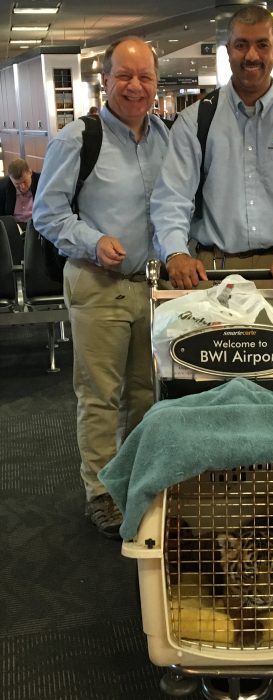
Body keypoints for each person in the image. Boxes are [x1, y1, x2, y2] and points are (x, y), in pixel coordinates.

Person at [33, 37, 170, 538]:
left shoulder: (166, 137)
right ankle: (99, 492)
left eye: (145, 77)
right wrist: (92, 242)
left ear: (156, 83)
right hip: (98, 282)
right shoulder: (77, 138)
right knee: (99, 396)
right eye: (124, 76)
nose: (135, 87)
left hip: (149, 286)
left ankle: (132, 480)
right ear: (105, 80)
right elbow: (48, 213)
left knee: (143, 394)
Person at [151, 5, 273, 290]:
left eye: (262, 45)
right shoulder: (196, 120)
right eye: (241, 45)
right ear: (227, 51)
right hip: (213, 272)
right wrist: (175, 252)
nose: (251, 56)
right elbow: (172, 198)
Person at [0, 158, 40, 227]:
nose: (22, 187)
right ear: (10, 179)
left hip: (36, 225)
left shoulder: (41, 182)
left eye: (25, 181)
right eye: (17, 184)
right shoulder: (3, 186)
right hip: (14, 226)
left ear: (30, 173)